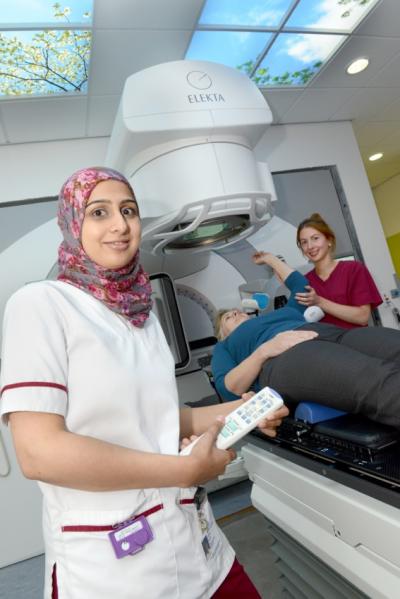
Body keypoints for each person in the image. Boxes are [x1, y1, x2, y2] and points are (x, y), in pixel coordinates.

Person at [0, 167, 288, 599]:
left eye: (129, 211)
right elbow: (40, 453)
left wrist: (241, 411)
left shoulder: (142, 313)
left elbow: (156, 419)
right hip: (112, 567)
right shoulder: (41, 304)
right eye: (99, 212)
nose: (120, 225)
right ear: (72, 223)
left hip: (196, 541)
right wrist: (183, 470)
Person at [212, 251, 400, 431]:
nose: (235, 313)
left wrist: (270, 259)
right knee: (374, 378)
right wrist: (265, 350)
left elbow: (301, 287)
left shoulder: (281, 313)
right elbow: (229, 389)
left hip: (325, 333)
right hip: (284, 356)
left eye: (237, 311)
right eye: (228, 317)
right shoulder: (224, 346)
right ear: (223, 334)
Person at [295, 213, 382, 329]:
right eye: (304, 242)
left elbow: (363, 317)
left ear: (329, 240)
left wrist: (319, 301)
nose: (310, 246)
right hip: (323, 340)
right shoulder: (304, 281)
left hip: (354, 338)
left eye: (315, 238)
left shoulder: (353, 269)